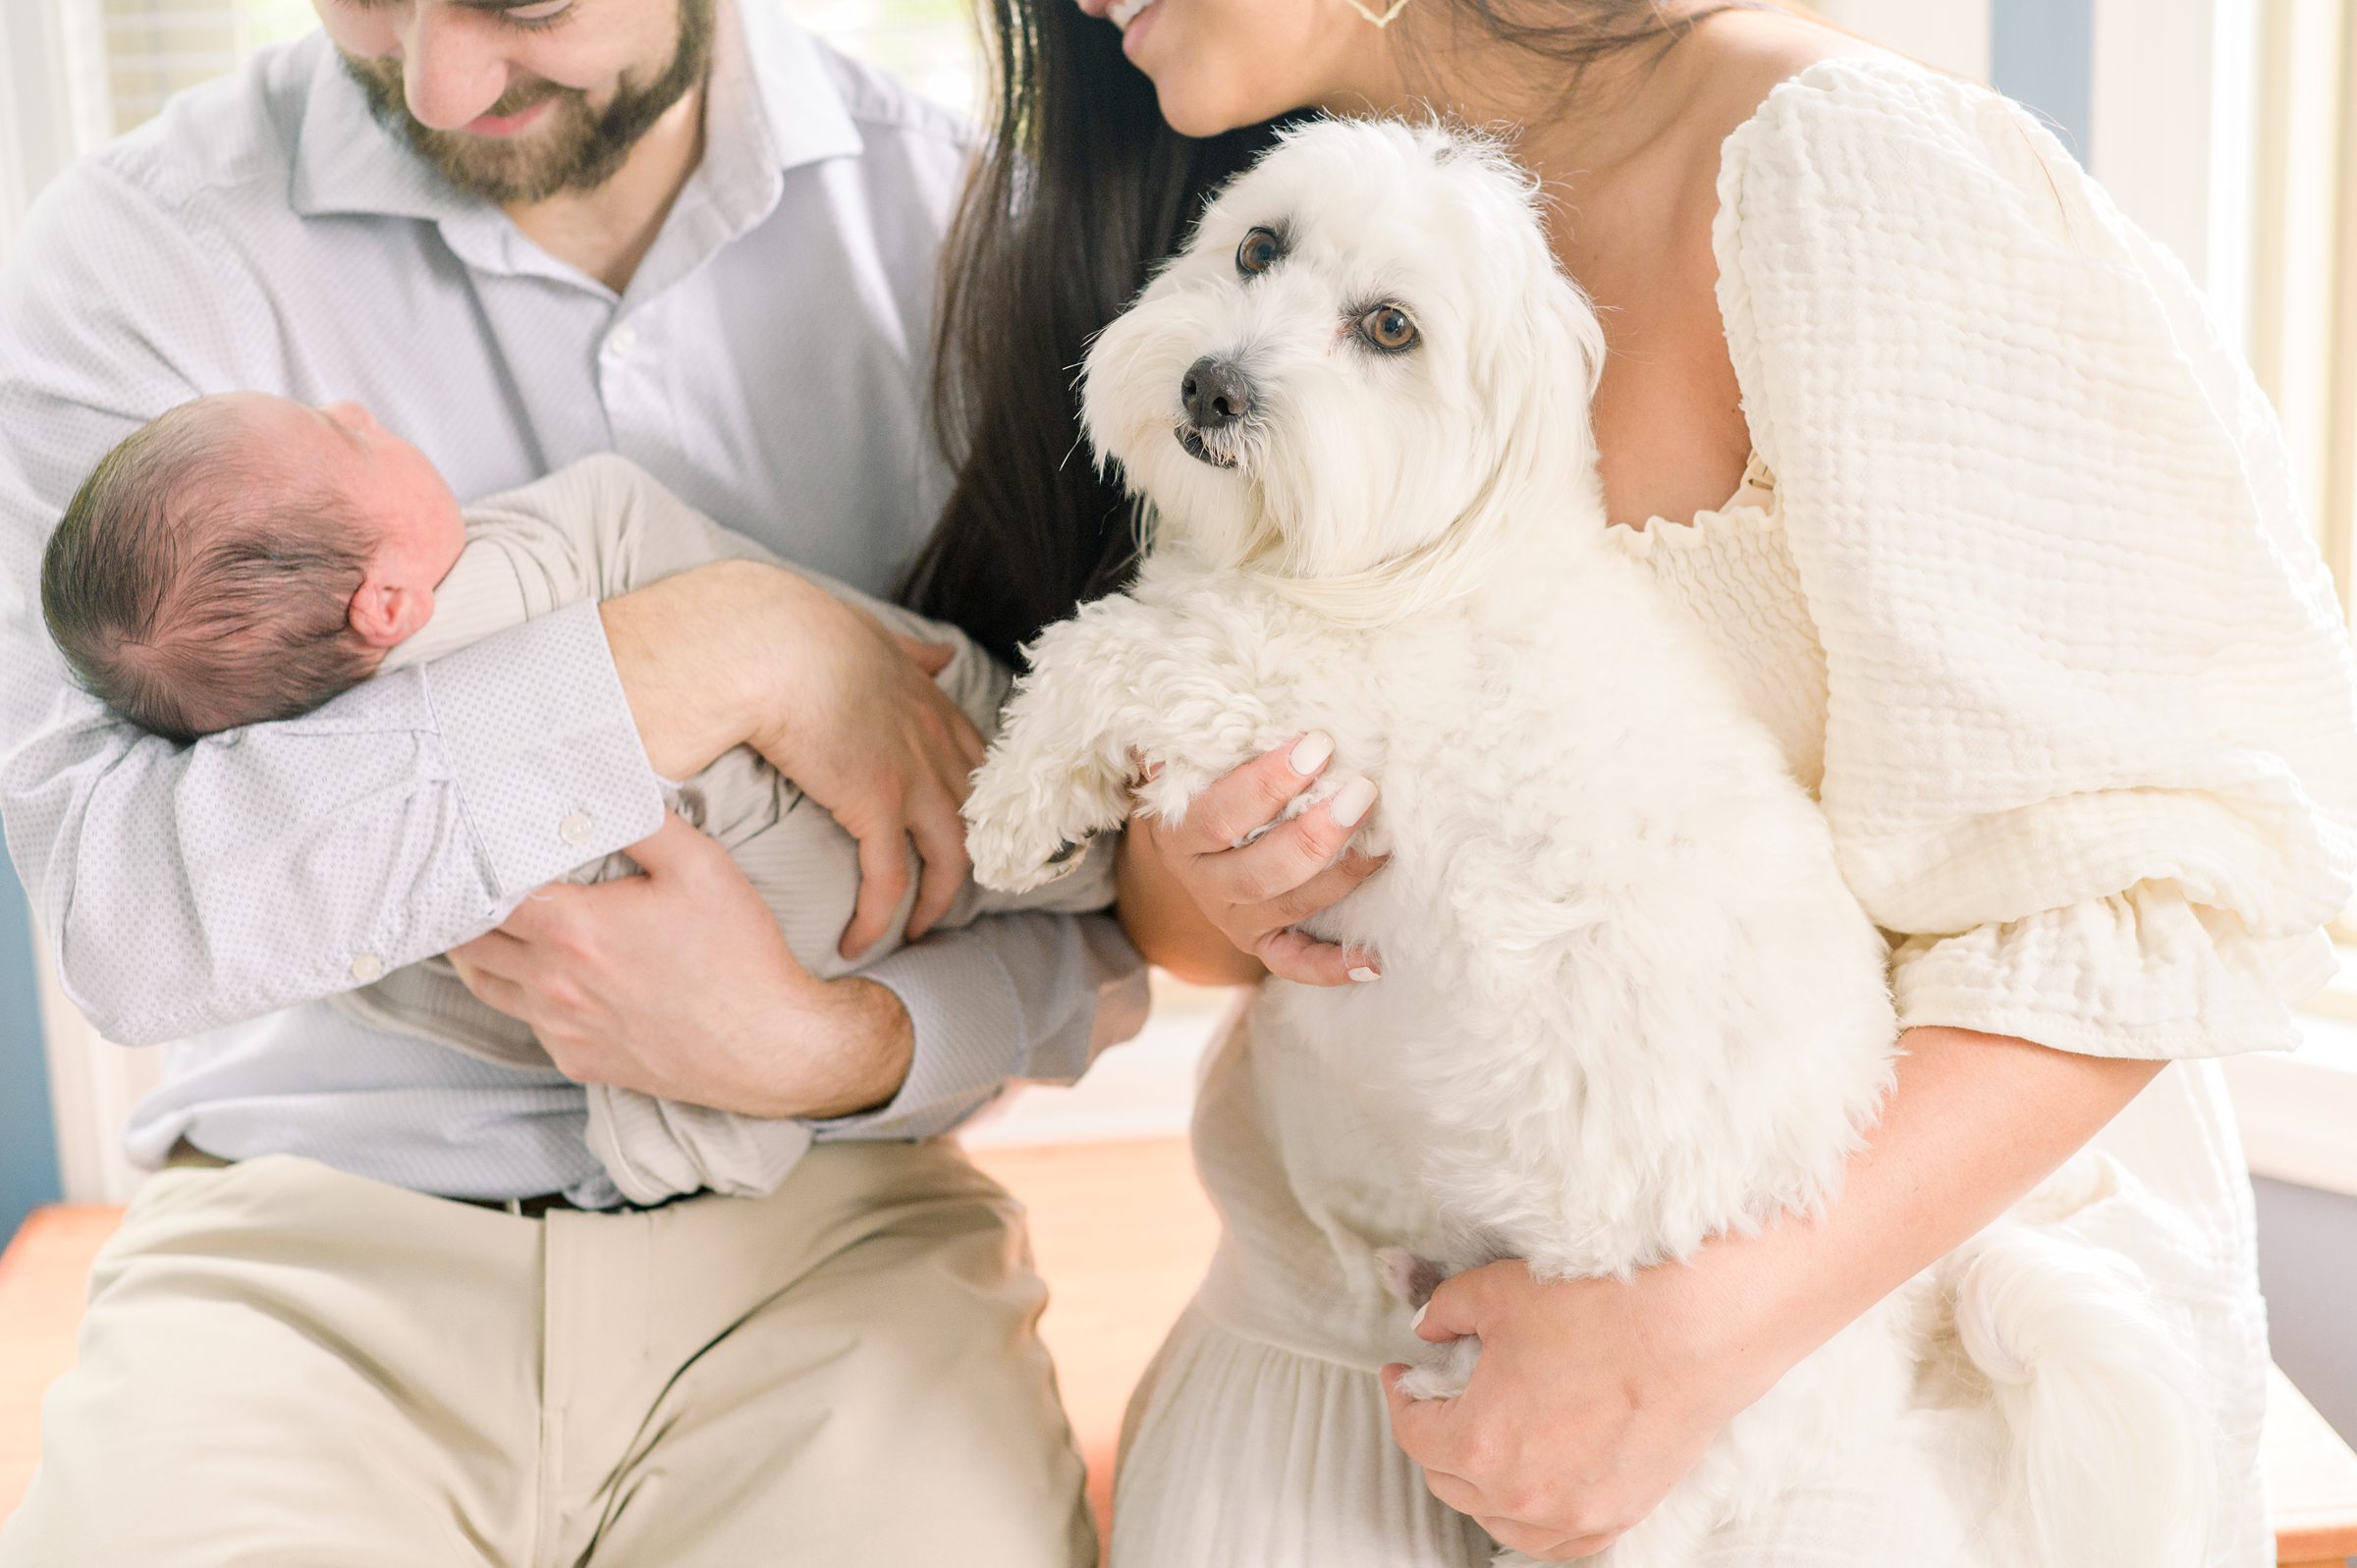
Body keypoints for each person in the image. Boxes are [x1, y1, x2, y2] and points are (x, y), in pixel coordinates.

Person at [901, 0, 2357, 1562]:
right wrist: (1227, 857)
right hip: (1337, 1341)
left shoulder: (1838, 170)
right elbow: (1180, 927)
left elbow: (2156, 895)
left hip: (1830, 1384)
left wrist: (1686, 1339)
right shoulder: (1255, 212)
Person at [0, 1, 1144, 1562]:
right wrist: (712, 648)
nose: (438, 79)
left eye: (523, 2)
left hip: (831, 1243)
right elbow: (133, 916)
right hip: (307, 1244)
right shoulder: (141, 264)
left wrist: (830, 1045)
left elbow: (1104, 875)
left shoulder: (973, 238)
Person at [38, 391, 1119, 1206]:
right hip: (795, 881)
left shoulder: (306, 803)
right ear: (387, 605)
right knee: (1009, 781)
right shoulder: (522, 559)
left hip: (778, 1029)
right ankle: (1088, 835)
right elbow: (123, 935)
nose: (360, 408)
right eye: (349, 439)